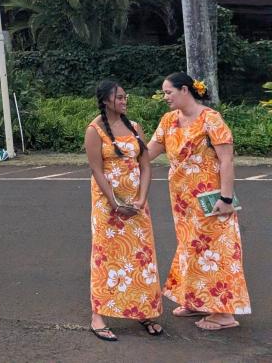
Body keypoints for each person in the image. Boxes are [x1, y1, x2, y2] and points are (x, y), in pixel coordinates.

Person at [148, 72, 251, 331]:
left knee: (216, 253)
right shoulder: (169, 120)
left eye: (168, 92)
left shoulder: (210, 119)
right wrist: (122, 150)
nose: (165, 97)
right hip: (183, 202)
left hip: (212, 200)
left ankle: (224, 314)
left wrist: (226, 198)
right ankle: (194, 300)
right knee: (190, 248)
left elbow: (226, 160)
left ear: (185, 90)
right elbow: (149, 152)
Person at [85, 80, 163, 342]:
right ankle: (98, 316)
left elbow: (146, 165)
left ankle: (142, 310)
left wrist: (140, 200)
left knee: (140, 257)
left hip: (136, 202)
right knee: (107, 257)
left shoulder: (135, 127)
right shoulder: (95, 130)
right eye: (119, 97)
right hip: (108, 204)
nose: (124, 101)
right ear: (106, 100)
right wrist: (116, 204)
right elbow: (96, 169)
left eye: (125, 97)